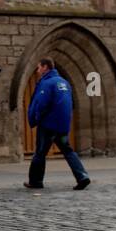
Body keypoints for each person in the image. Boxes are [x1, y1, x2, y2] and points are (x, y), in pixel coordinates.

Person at [24, 58, 90, 191]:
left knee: (39, 153)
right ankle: (82, 176)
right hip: (62, 124)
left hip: (48, 124)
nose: (37, 71)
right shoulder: (64, 82)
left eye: (38, 67)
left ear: (45, 67)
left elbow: (41, 103)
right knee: (68, 151)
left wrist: (36, 118)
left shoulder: (47, 83)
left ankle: (35, 181)